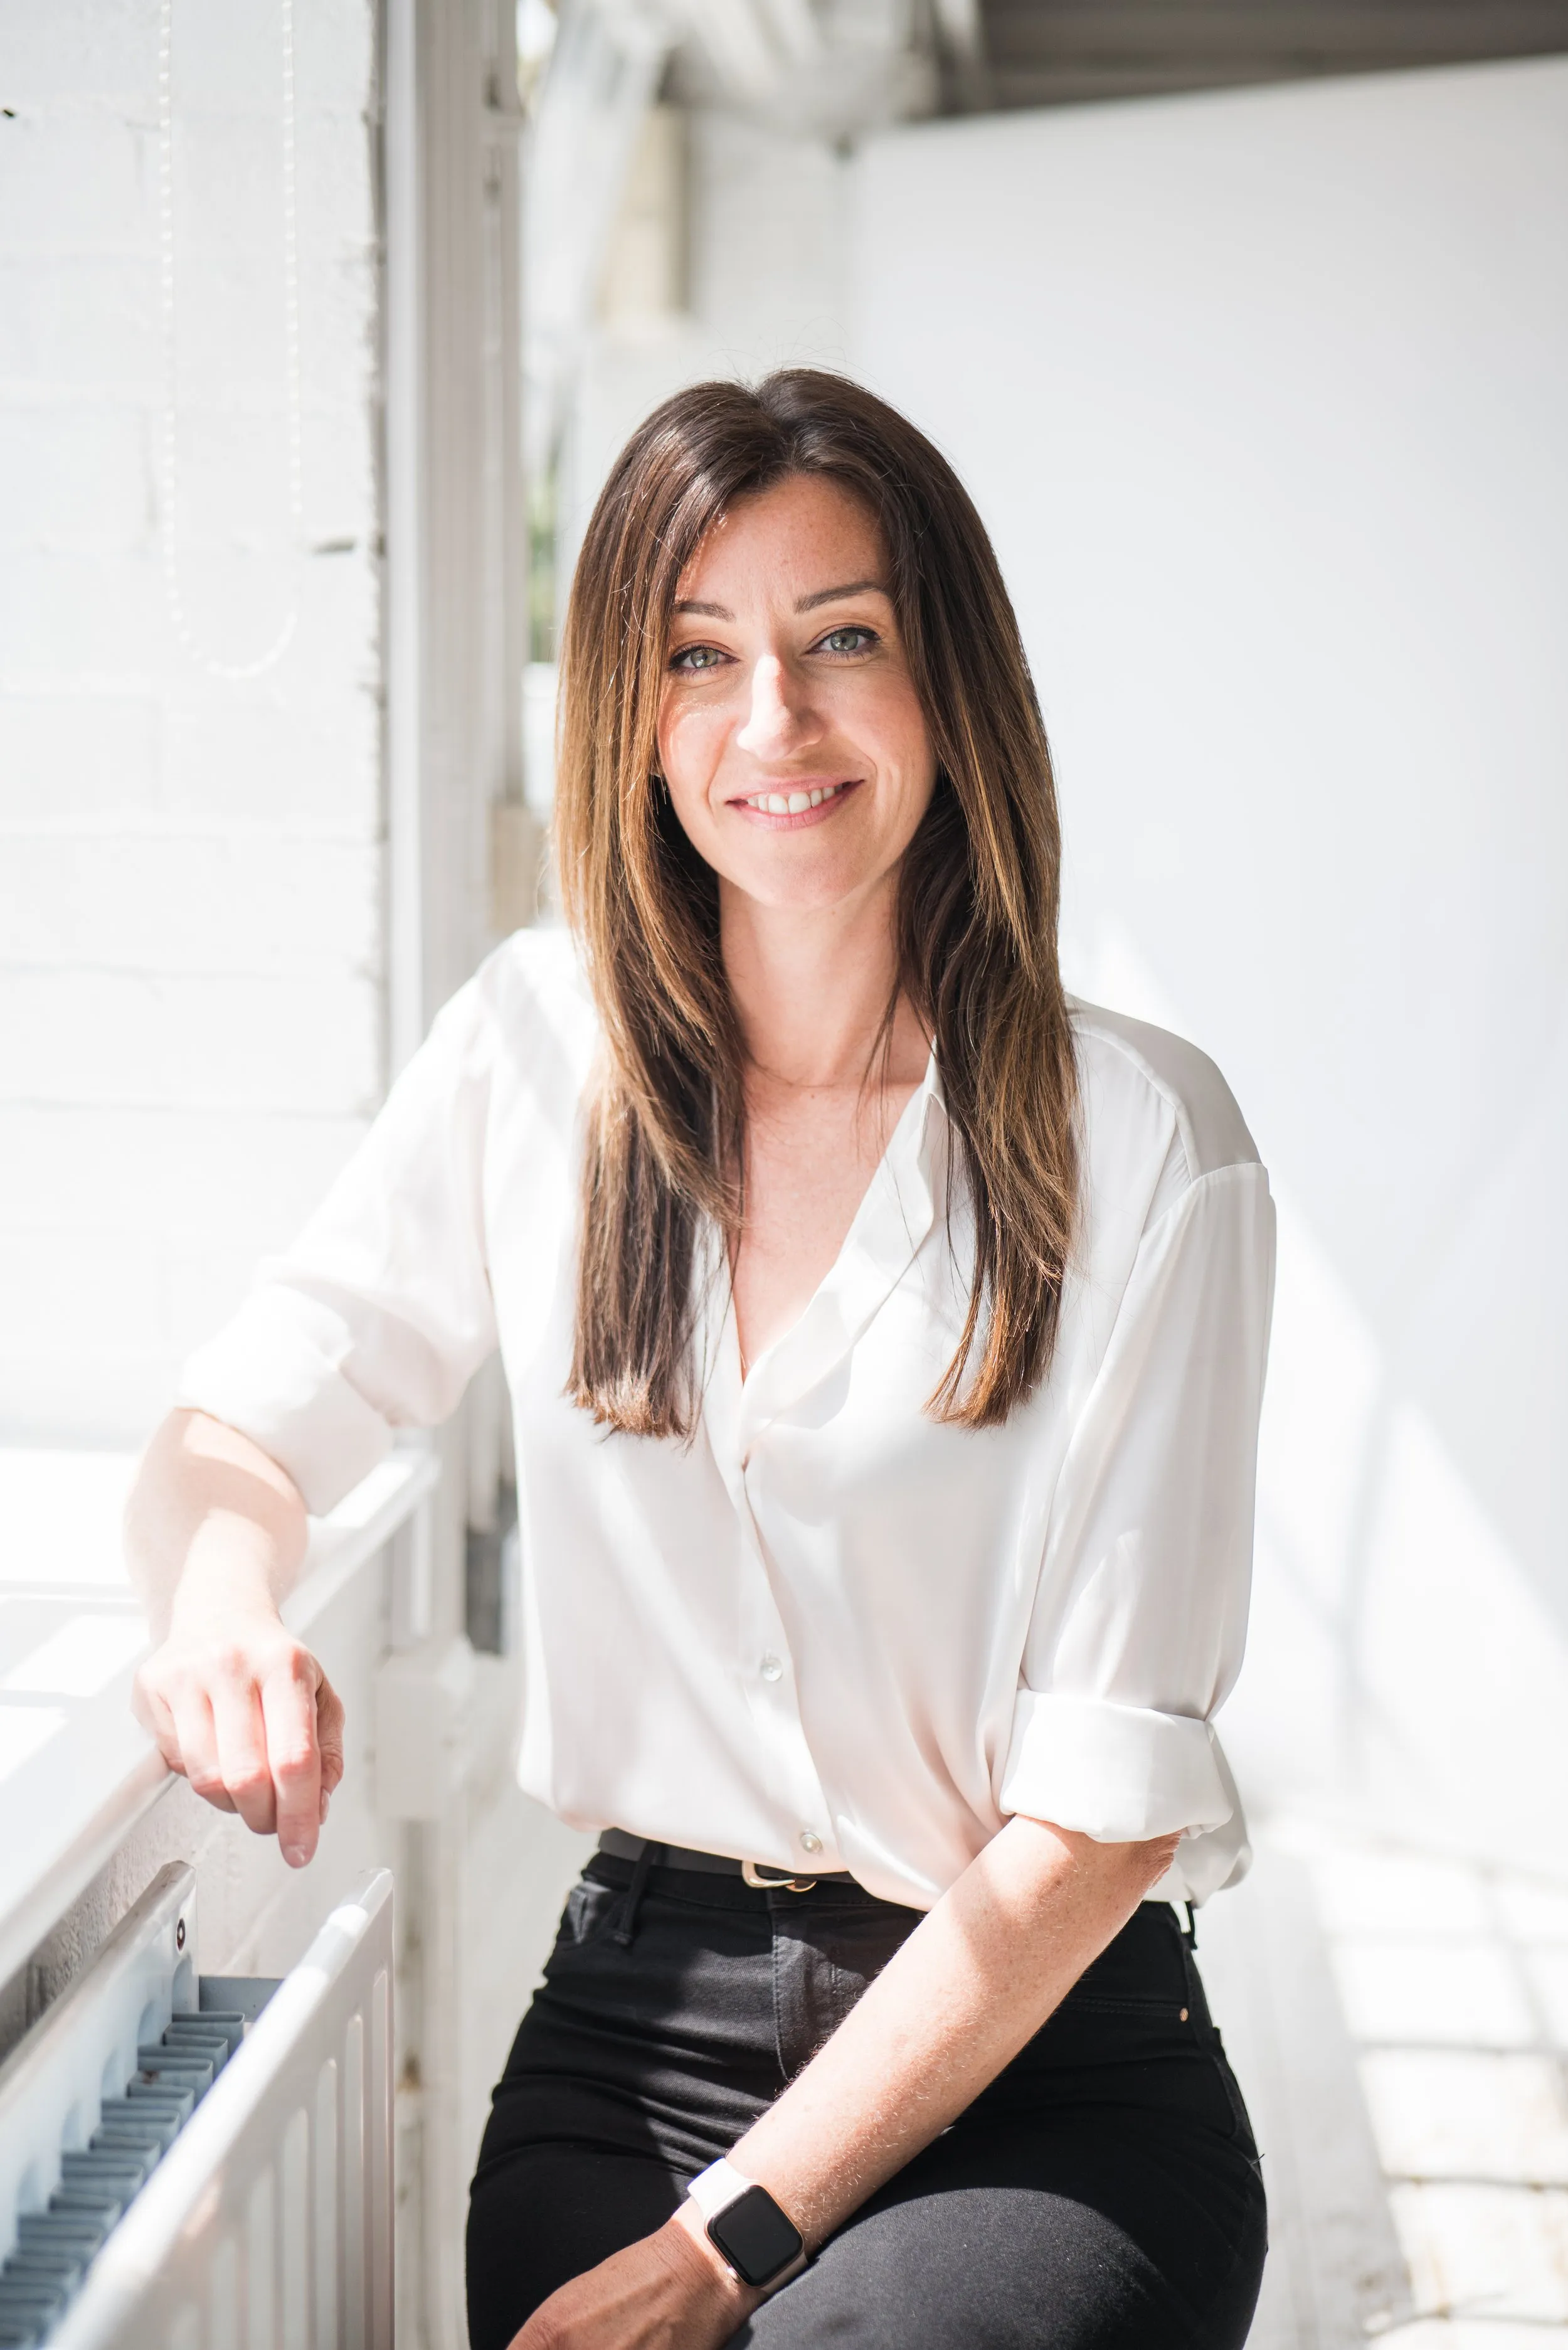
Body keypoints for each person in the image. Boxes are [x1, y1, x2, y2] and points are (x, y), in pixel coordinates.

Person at [125, 370, 1275, 2350]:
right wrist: (221, 1604)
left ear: (951, 691)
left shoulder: (1145, 1141)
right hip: (638, 2032)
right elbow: (245, 1412)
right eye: (698, 654)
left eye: (843, 642)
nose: (774, 723)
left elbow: (1097, 1823)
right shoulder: (534, 1050)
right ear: (627, 714)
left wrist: (723, 2249)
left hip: (1041, 2064)